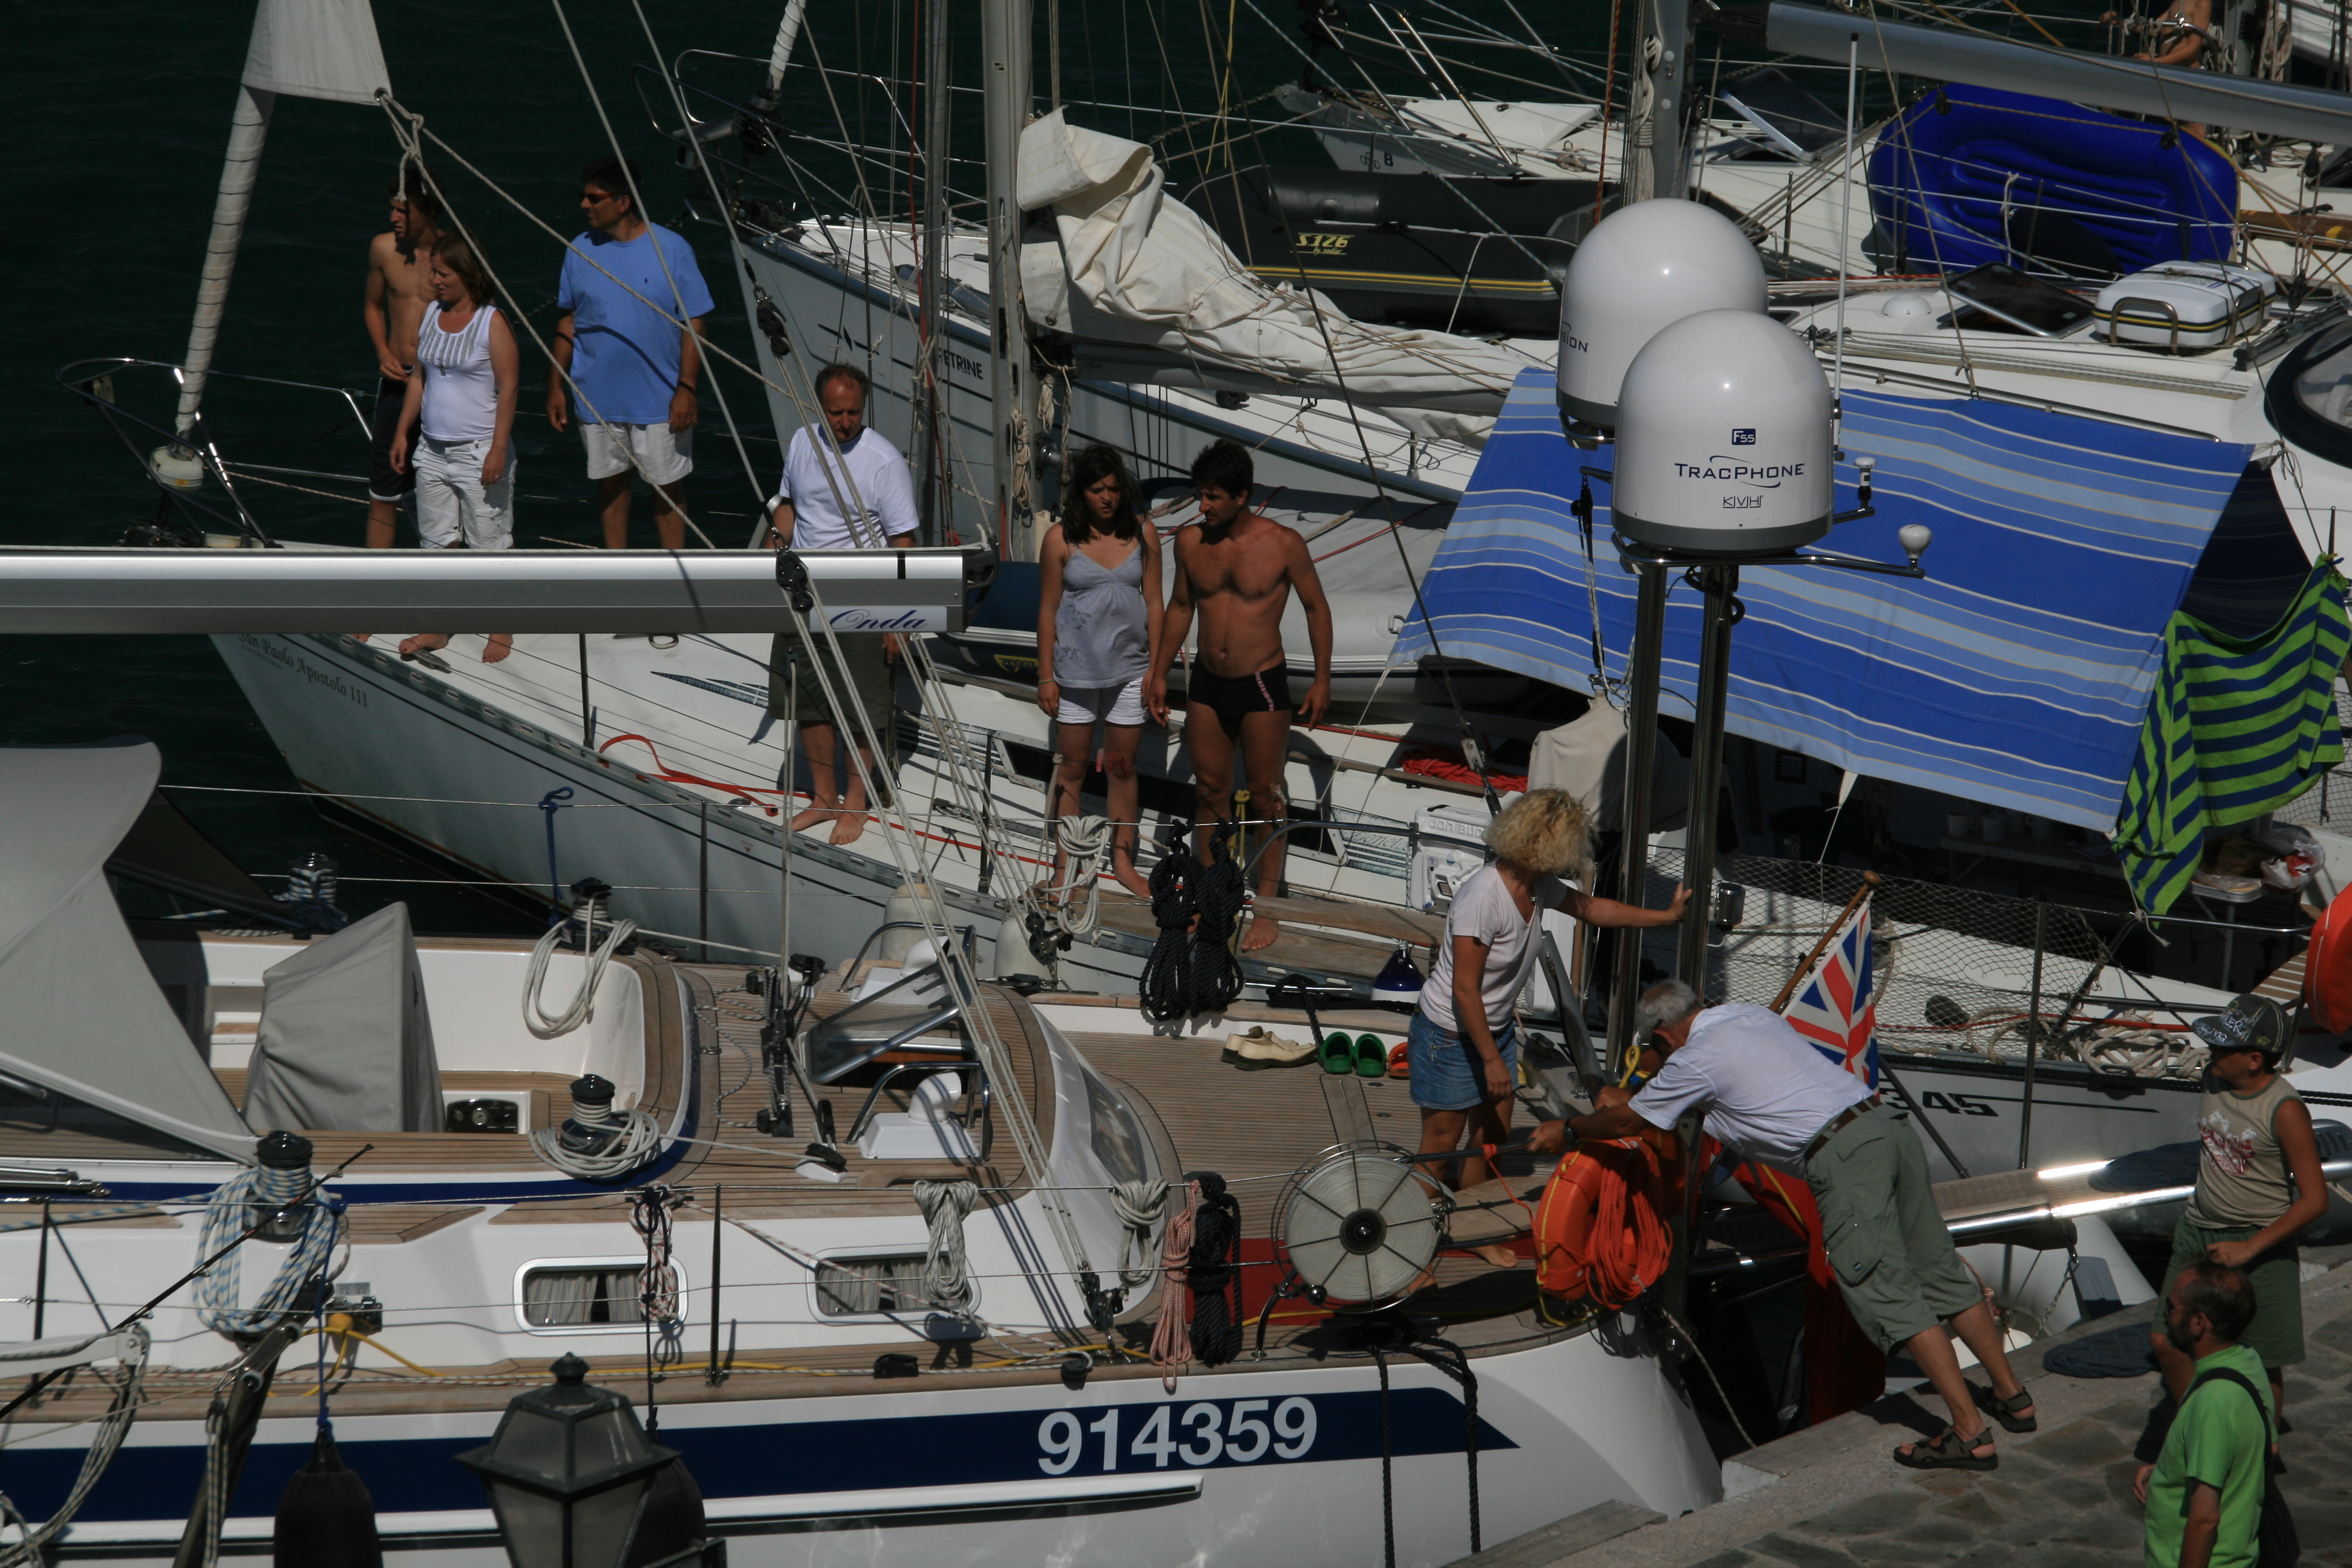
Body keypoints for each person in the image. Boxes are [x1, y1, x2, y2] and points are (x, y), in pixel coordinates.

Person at [1532, 979, 2038, 1469]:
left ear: (1663, 1037)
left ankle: (1969, 1433)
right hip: (1884, 1126)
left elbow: (1627, 1122)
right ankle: (2012, 1396)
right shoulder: (1746, 1015)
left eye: (1656, 1048)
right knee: (1939, 1269)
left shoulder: (1691, 1060)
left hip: (1842, 1157)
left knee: (1887, 1292)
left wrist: (1568, 1129)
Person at [1411, 791, 1688, 1248]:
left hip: (1492, 1030)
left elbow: (1592, 909)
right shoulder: (1483, 896)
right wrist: (1493, 1061)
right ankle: (1413, 1247)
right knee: (1439, 1152)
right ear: (1548, 845)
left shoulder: (1536, 886)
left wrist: (1665, 917)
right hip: (1449, 1034)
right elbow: (1464, 989)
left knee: (1492, 1138)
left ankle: (1472, 1235)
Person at [1143, 439, 1333, 952]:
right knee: (1210, 793)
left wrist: (1322, 679)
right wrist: (1159, 673)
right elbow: (1182, 606)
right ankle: (1211, 896)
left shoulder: (1283, 543)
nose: (1203, 507)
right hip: (1207, 682)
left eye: (1212, 498)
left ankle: (1266, 907)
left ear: (1241, 495)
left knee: (1267, 794)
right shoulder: (1189, 543)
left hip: (1262, 683)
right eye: (1200, 496)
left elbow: (1316, 607)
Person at [2148, 993, 2325, 1422]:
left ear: (2254, 1060)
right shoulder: (2212, 1077)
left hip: (2260, 1242)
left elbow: (2316, 1199)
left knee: (2263, 1357)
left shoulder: (2285, 1110)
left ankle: (2265, 1455)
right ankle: (2200, 1428)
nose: (2213, 1053)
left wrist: (2249, 1249)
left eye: (2225, 1047)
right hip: (2198, 1230)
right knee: (2168, 1342)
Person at [765, 364, 916, 846]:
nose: (845, 421)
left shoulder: (883, 461)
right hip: (804, 590)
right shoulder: (801, 442)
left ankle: (856, 802)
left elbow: (903, 542)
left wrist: (899, 618)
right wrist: (773, 545)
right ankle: (824, 796)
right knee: (807, 698)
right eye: (836, 412)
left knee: (861, 706)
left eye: (853, 412)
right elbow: (788, 505)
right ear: (819, 407)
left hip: (862, 596)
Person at [546, 155, 713, 550]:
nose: (584, 205)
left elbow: (695, 324)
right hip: (596, 397)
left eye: (593, 197)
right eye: (583, 196)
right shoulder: (577, 251)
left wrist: (686, 388)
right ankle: (615, 565)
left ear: (623, 201)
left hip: (660, 401)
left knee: (667, 486)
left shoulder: (674, 251)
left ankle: (677, 569)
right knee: (610, 481)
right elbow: (569, 321)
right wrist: (555, 383)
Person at [1036, 445, 1163, 900]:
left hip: (1131, 671)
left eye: (1113, 489)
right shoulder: (1060, 540)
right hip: (1073, 674)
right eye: (1096, 490)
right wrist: (1045, 675)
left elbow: (1155, 603)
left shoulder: (1144, 533)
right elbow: (1048, 610)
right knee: (1071, 769)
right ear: (1080, 493)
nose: (1107, 498)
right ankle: (1064, 865)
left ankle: (1123, 863)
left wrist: (1158, 670)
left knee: (1122, 768)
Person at [388, 234, 517, 666]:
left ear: (468, 275)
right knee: (436, 541)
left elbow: (510, 387)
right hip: (433, 450)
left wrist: (498, 449)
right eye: (435, 272)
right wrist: (405, 432)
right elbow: (419, 379)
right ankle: (438, 626)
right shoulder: (429, 315)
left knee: (488, 544)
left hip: (478, 450)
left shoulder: (491, 322)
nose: (435, 280)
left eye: (444, 273)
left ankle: (501, 625)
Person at [2134, 1262, 2274, 1568]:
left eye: (2171, 1308)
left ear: (2199, 1323)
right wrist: (2169, 1467)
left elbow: (2205, 1520)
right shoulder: (2247, 1361)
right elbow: (2253, 1448)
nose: (2165, 1316)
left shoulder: (2211, 1402)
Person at [361, 164, 443, 549]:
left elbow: (482, 317)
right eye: (391, 209)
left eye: (402, 210)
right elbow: (373, 306)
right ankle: (373, 581)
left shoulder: (455, 254)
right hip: (397, 379)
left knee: (444, 482)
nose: (393, 218)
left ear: (427, 211)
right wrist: (382, 351)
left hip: (443, 383)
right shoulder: (383, 249)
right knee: (384, 489)